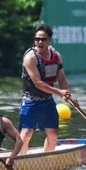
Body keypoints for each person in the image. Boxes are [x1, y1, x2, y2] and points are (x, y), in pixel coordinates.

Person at [18, 23, 71, 154]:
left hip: (47, 100)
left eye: (43, 39)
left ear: (50, 40)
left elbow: (62, 79)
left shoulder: (56, 57)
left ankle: (47, 160)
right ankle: (19, 160)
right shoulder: (30, 57)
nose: (40, 42)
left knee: (53, 134)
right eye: (37, 39)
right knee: (26, 133)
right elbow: (38, 83)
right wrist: (59, 92)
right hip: (31, 100)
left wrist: (67, 94)